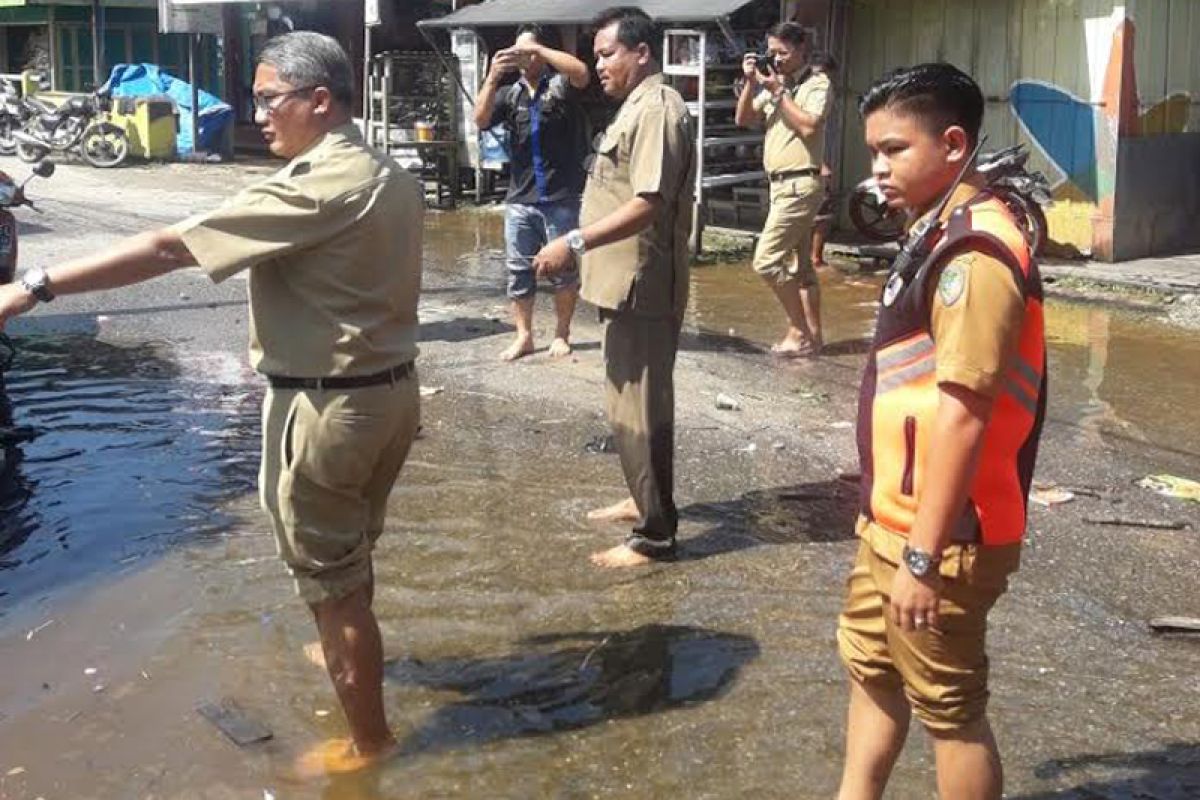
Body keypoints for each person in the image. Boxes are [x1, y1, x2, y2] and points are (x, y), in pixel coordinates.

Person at [0, 32, 423, 776]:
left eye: (270, 99)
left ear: (319, 102)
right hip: (388, 396)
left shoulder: (316, 183)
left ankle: (370, 748)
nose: (258, 114)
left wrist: (35, 287)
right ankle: (342, 631)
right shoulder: (384, 167)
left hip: (328, 411)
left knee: (334, 582)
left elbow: (171, 248)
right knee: (348, 559)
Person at [835, 63, 1047, 800]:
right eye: (873, 152)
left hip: (947, 537)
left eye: (894, 150)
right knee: (871, 667)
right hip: (890, 523)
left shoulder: (976, 252)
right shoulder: (933, 231)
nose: (878, 170)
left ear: (953, 144)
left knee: (949, 709)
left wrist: (922, 558)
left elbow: (964, 411)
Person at [533, 6, 695, 568]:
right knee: (632, 404)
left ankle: (655, 537)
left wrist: (573, 243)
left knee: (639, 409)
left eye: (606, 54)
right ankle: (643, 498)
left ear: (641, 52)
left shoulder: (657, 109)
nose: (597, 65)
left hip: (641, 285)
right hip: (622, 283)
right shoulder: (636, 106)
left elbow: (648, 203)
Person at [474, 23, 591, 362]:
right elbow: (480, 120)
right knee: (518, 271)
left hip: (561, 197)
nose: (522, 57)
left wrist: (540, 52)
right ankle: (524, 336)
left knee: (563, 270)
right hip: (520, 199)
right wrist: (493, 76)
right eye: (518, 50)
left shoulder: (560, 86)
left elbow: (582, 73)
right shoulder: (510, 94)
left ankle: (561, 334)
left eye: (528, 51)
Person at [735, 22, 831, 357]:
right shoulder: (779, 83)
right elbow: (743, 118)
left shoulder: (816, 83)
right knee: (802, 270)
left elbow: (808, 126)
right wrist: (751, 82)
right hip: (781, 186)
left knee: (766, 260)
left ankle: (798, 331)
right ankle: (814, 339)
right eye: (771, 52)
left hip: (800, 184)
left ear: (802, 49)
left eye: (783, 53)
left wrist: (778, 91)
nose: (776, 59)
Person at [807, 52, 840, 271]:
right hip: (811, 162)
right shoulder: (813, 94)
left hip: (812, 161)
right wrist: (821, 163)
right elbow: (806, 133)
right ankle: (815, 259)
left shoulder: (815, 93)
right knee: (822, 213)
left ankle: (811, 259)